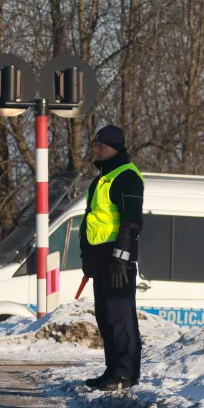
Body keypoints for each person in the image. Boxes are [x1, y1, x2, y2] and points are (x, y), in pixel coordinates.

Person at [80, 125, 144, 391]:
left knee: (120, 316)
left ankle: (126, 373)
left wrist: (121, 258)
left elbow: (131, 222)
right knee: (105, 317)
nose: (96, 149)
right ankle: (112, 370)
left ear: (114, 148)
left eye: (100, 145)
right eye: (95, 144)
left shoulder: (127, 176)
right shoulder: (101, 179)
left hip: (117, 259)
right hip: (100, 257)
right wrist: (88, 258)